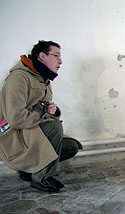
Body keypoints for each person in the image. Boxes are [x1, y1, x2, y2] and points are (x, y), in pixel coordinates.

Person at [0, 40, 82, 193]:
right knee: (53, 126)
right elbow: (15, 117)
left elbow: (41, 108)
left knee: (71, 147)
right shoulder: (19, 77)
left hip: (31, 133)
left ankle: (29, 170)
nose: (60, 61)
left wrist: (53, 111)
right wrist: (45, 117)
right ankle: (42, 178)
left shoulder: (42, 78)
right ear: (42, 56)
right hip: (14, 138)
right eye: (56, 56)